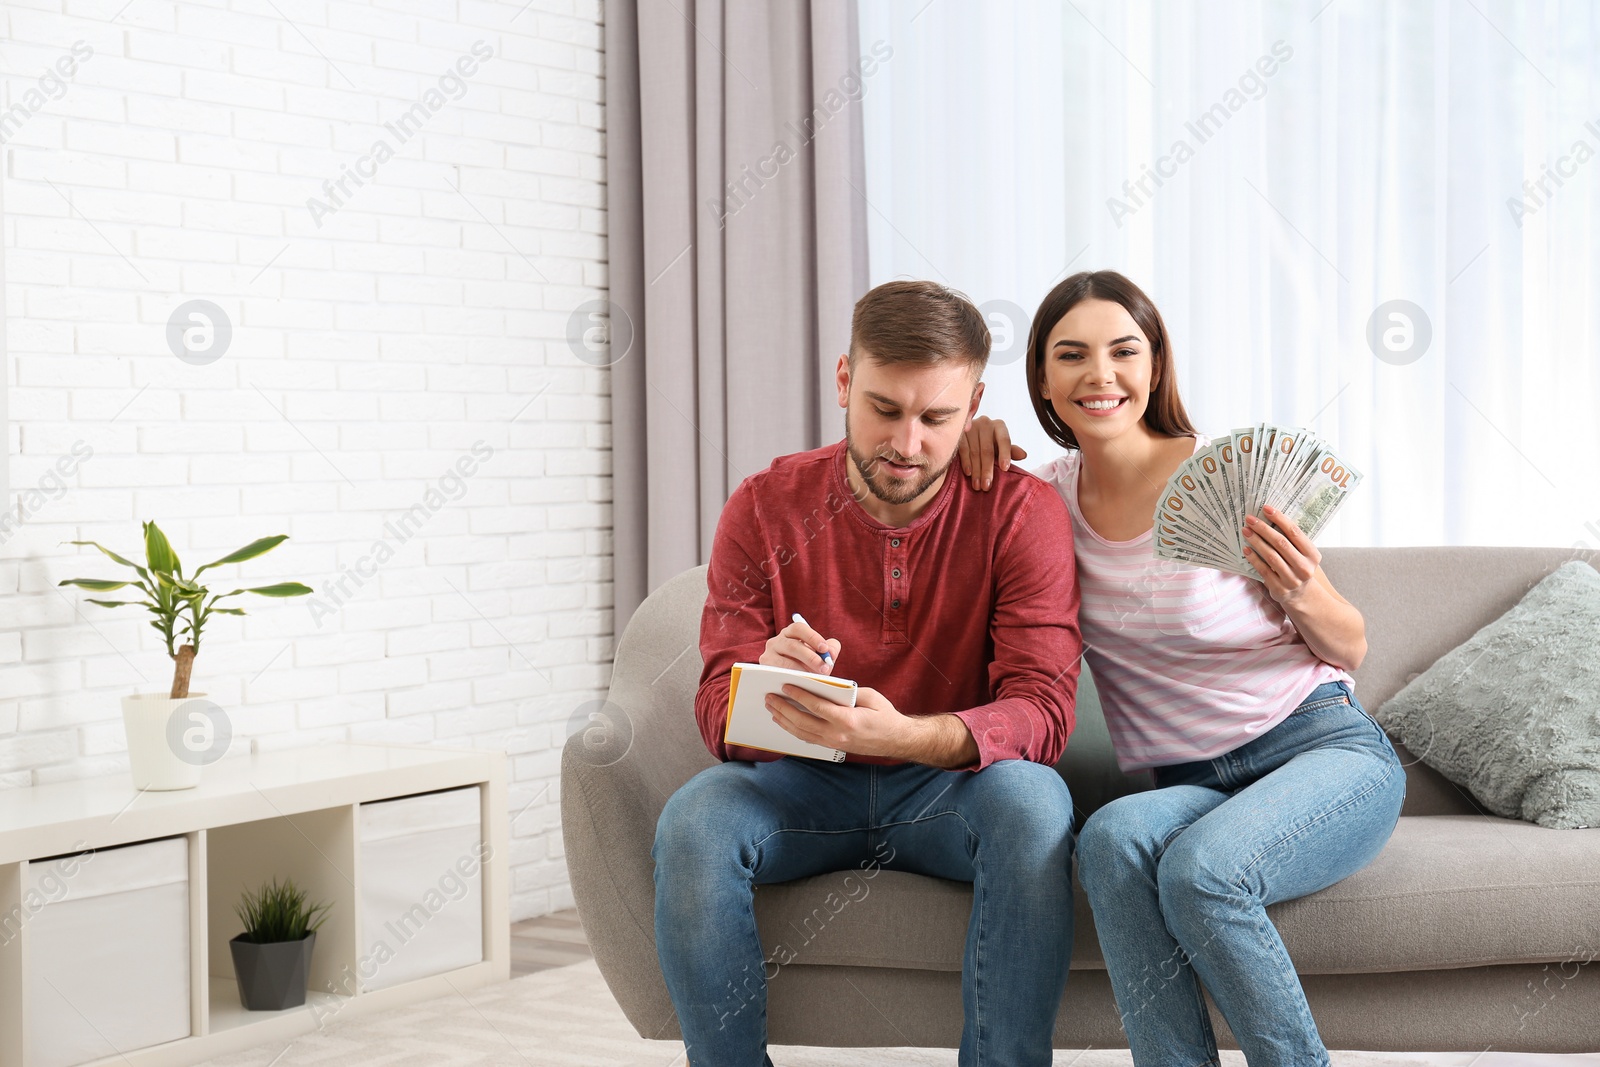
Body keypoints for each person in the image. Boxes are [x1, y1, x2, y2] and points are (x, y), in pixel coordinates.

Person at [959, 270, 1404, 1067]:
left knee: (1201, 872)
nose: (1101, 374)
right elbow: (949, 512)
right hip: (1193, 778)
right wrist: (972, 431)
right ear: (1044, 382)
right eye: (1072, 356)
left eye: (1124, 351)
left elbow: (1352, 648)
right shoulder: (1044, 503)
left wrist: (1301, 587)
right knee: (1109, 838)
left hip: (1321, 749)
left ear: (1155, 367)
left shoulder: (1229, 477)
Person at [653, 280, 1084, 1067]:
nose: (908, 442)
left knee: (1034, 801)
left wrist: (911, 736)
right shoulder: (763, 506)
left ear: (977, 403)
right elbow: (715, 709)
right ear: (845, 380)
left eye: (938, 417)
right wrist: (761, 684)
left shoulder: (1020, 512)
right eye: (885, 409)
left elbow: (1045, 710)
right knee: (695, 821)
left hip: (950, 792)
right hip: (800, 784)